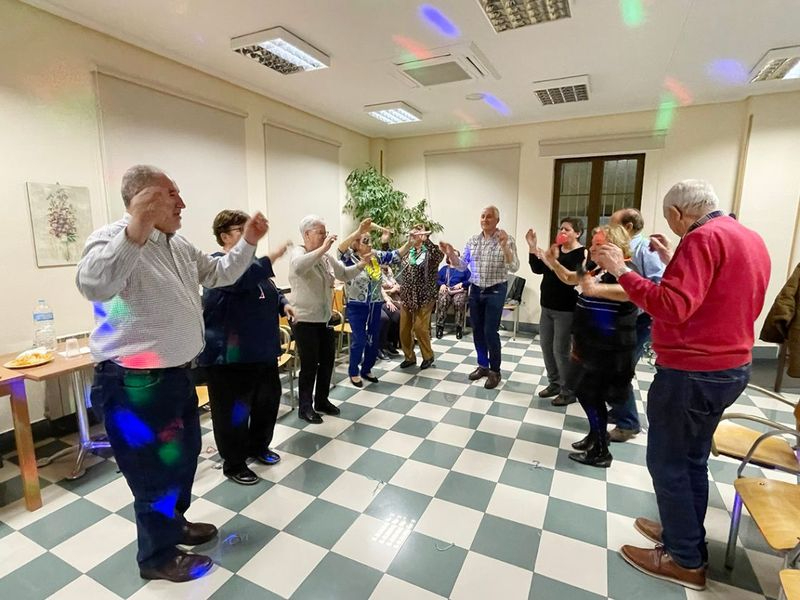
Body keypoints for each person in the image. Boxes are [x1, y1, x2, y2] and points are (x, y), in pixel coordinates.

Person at [76, 165, 268, 582]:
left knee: (182, 460)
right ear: (143, 199)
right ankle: (156, 557)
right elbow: (94, 284)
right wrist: (137, 228)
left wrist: (249, 241)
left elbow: (219, 273)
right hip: (134, 383)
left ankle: (174, 524)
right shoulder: (111, 238)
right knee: (152, 472)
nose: (182, 203)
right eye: (172, 194)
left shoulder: (177, 244)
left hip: (177, 376)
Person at [594, 179, 770, 591]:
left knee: (669, 462)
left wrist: (621, 270)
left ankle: (685, 559)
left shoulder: (702, 239)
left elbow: (671, 306)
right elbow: (720, 293)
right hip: (730, 365)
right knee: (691, 459)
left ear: (677, 213)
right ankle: (682, 533)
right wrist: (674, 260)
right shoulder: (747, 236)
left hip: (693, 371)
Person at [197, 210, 294, 486]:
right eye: (242, 230)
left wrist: (284, 304)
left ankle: (258, 446)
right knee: (233, 414)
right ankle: (234, 463)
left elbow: (269, 291)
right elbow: (239, 281)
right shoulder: (218, 266)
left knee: (267, 404)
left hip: (263, 352)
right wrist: (272, 257)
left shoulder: (252, 266)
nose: (248, 235)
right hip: (230, 359)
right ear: (224, 236)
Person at [548, 225, 638, 468]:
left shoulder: (626, 271)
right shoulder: (595, 268)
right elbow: (571, 278)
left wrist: (596, 289)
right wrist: (553, 262)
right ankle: (595, 435)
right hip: (587, 346)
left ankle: (601, 451)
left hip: (608, 351)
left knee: (592, 395)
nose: (592, 248)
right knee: (584, 393)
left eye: (599, 244)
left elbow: (630, 292)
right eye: (593, 243)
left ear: (615, 247)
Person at [289, 215, 370, 423]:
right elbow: (298, 267)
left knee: (327, 362)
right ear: (307, 234)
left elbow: (343, 274)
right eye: (320, 233)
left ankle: (322, 401)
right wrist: (324, 248)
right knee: (309, 365)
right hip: (304, 320)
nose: (325, 237)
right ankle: (305, 407)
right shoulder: (299, 252)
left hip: (324, 319)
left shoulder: (325, 257)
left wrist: (362, 264)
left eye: (325, 233)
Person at [441, 206, 520, 389]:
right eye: (483, 216)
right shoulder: (473, 241)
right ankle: (483, 365)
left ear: (497, 220)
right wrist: (450, 254)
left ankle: (495, 371)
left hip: (496, 289)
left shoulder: (507, 239)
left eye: (489, 217)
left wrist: (505, 247)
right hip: (476, 289)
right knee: (477, 330)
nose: (485, 219)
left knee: (490, 331)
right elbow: (462, 266)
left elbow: (514, 266)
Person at [605, 208, 665, 442]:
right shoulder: (622, 247)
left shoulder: (645, 249)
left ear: (628, 226)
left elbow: (658, 284)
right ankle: (619, 410)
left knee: (619, 370)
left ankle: (628, 424)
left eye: (613, 224)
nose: (609, 229)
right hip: (623, 318)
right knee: (614, 367)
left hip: (640, 320)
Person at [337, 220, 408, 387]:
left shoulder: (375, 256)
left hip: (375, 304)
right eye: (365, 241)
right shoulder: (350, 258)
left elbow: (394, 255)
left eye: (370, 241)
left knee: (373, 338)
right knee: (360, 340)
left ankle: (367, 369)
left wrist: (409, 242)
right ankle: (353, 371)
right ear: (356, 244)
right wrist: (358, 230)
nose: (370, 244)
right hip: (357, 305)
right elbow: (340, 249)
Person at [526, 217, 584, 406]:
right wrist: (532, 247)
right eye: (561, 228)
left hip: (565, 309)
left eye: (567, 229)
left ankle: (568, 390)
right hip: (547, 306)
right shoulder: (556, 249)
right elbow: (537, 268)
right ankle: (555, 383)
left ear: (578, 233)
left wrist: (549, 260)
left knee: (561, 350)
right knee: (546, 346)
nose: (562, 232)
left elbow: (570, 278)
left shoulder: (581, 253)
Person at [398, 226, 444, 370]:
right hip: (407, 295)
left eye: (419, 230)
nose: (415, 232)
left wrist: (427, 241)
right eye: (414, 229)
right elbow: (393, 257)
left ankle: (428, 356)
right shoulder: (407, 250)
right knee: (404, 329)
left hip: (425, 296)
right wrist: (385, 243)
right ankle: (409, 357)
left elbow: (439, 257)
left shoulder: (430, 251)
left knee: (419, 328)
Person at [435, 250, 471, 339]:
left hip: (459, 291)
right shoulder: (444, 269)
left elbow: (471, 279)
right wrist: (442, 284)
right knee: (443, 300)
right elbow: (436, 279)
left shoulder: (464, 269)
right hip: (447, 290)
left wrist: (462, 284)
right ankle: (440, 327)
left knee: (458, 302)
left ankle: (459, 328)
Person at [378, 264, 402, 358]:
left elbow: (395, 286)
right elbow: (380, 289)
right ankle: (382, 345)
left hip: (388, 299)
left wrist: (388, 299)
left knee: (399, 314)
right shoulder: (375, 273)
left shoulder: (389, 273)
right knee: (386, 318)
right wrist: (390, 292)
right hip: (378, 302)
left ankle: (390, 342)